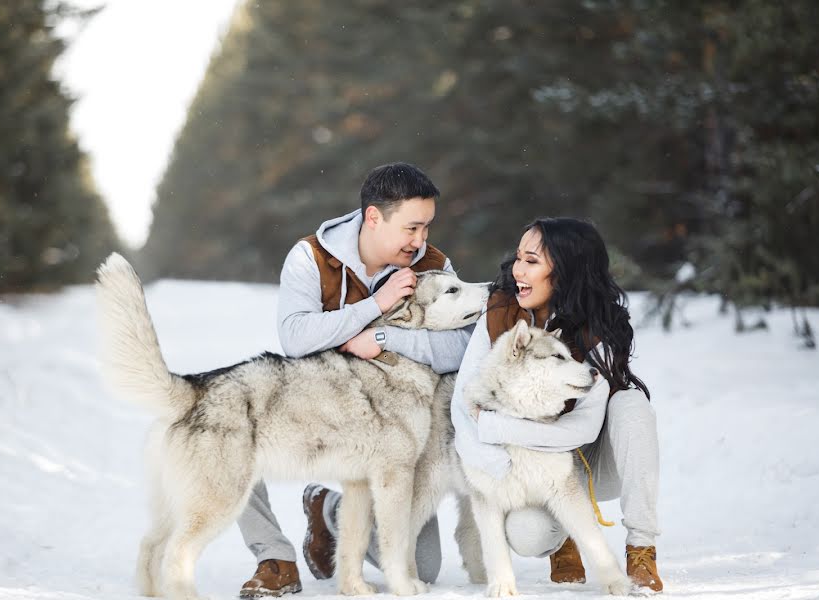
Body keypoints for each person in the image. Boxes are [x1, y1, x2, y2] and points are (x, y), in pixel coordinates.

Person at [237, 162, 472, 597]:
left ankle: (328, 508)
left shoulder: (433, 266)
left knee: (424, 566)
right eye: (412, 228)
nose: (421, 241)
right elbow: (295, 338)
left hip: (389, 427)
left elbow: (464, 347)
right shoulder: (311, 256)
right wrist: (372, 307)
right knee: (235, 422)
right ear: (373, 217)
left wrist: (382, 338)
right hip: (319, 406)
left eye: (427, 228)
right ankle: (274, 556)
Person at [450, 217, 664, 593]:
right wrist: (490, 466)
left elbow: (581, 428)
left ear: (564, 272)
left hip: (590, 455)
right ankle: (562, 538)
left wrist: (495, 428)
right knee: (529, 535)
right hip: (531, 464)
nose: (517, 270)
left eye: (531, 261)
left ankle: (641, 548)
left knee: (632, 405)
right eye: (518, 258)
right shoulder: (502, 311)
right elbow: (463, 403)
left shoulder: (601, 325)